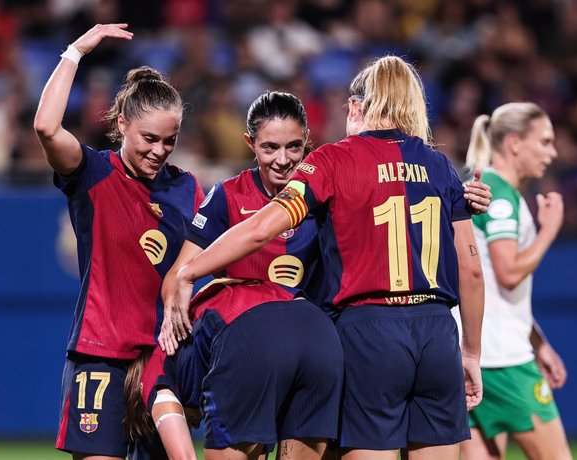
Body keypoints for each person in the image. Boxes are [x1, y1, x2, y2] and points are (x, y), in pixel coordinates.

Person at [162, 56, 485, 460]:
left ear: (358, 106)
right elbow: (471, 267)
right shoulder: (441, 167)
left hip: (370, 332)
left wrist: (190, 271)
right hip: (438, 334)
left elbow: (263, 228)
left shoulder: (333, 160)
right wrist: (471, 354)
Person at [33, 23, 204, 460]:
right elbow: (47, 128)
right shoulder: (93, 174)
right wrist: (75, 50)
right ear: (122, 123)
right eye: (149, 138)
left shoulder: (188, 189)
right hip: (100, 356)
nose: (159, 150)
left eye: (170, 140)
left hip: (162, 364)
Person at [155, 91, 344, 460]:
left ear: (308, 142)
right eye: (270, 147)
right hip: (252, 350)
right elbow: (179, 274)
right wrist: (173, 313)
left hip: (310, 345)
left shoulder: (324, 197)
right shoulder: (228, 195)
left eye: (294, 147)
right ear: (250, 144)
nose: (283, 160)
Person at [457, 102, 571, 460]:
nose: (552, 153)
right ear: (514, 143)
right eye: (545, 142)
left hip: (471, 355)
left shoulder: (483, 185)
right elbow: (508, 273)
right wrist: (549, 230)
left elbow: (493, 285)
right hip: (504, 363)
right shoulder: (500, 196)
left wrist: (538, 343)